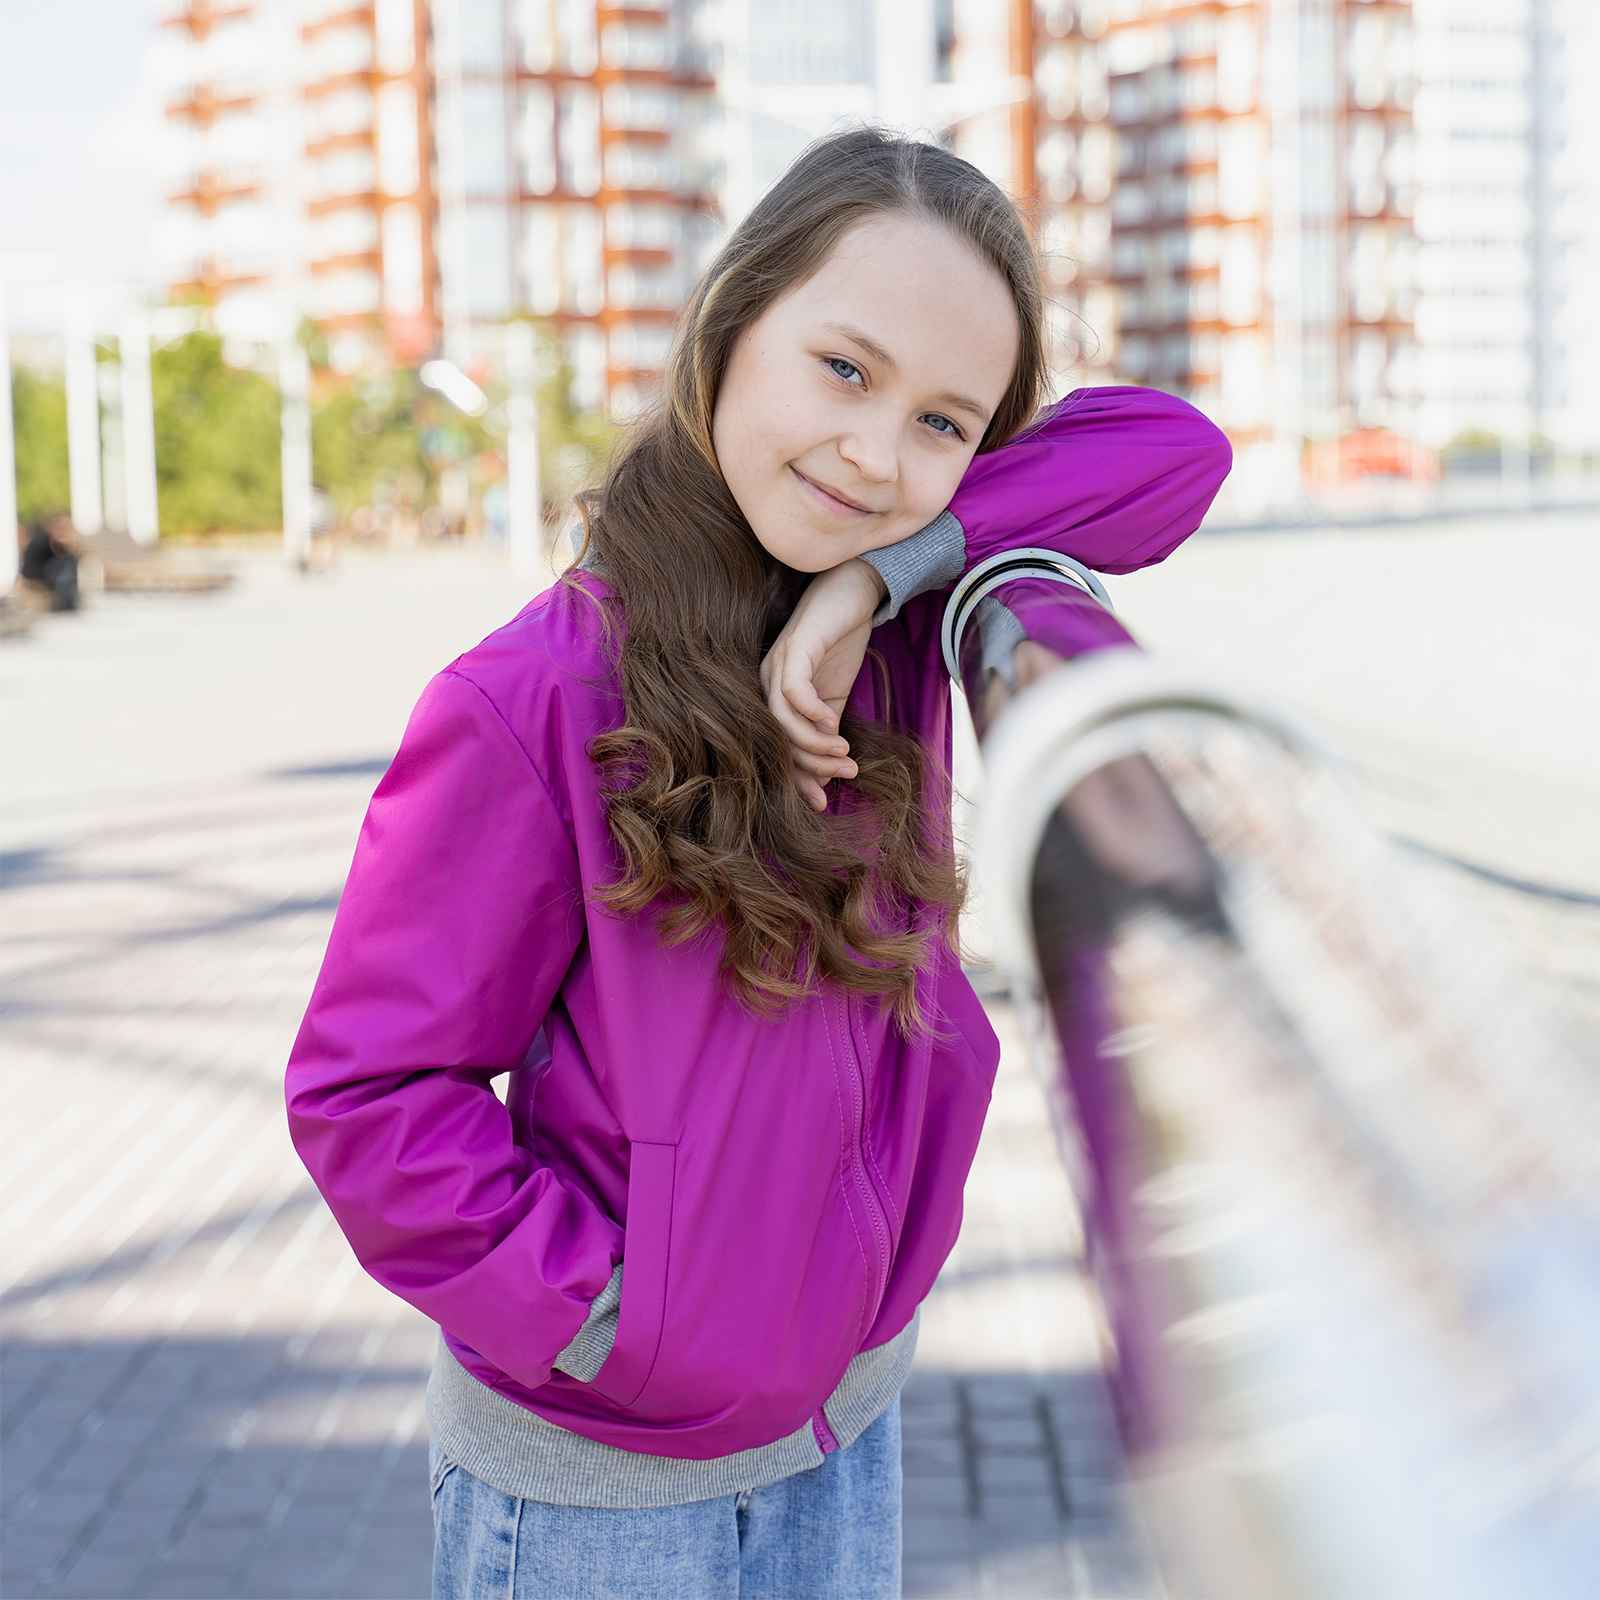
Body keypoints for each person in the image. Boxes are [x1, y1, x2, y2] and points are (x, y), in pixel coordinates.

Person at [285, 127, 1231, 1600]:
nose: (873, 454)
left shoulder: (893, 625)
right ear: (734, 326)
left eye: (943, 422)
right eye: (844, 369)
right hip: (604, 1497)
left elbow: (1176, 455)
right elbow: (369, 1094)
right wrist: (619, 1320)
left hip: (844, 1430)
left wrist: (884, 573)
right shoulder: (530, 697)